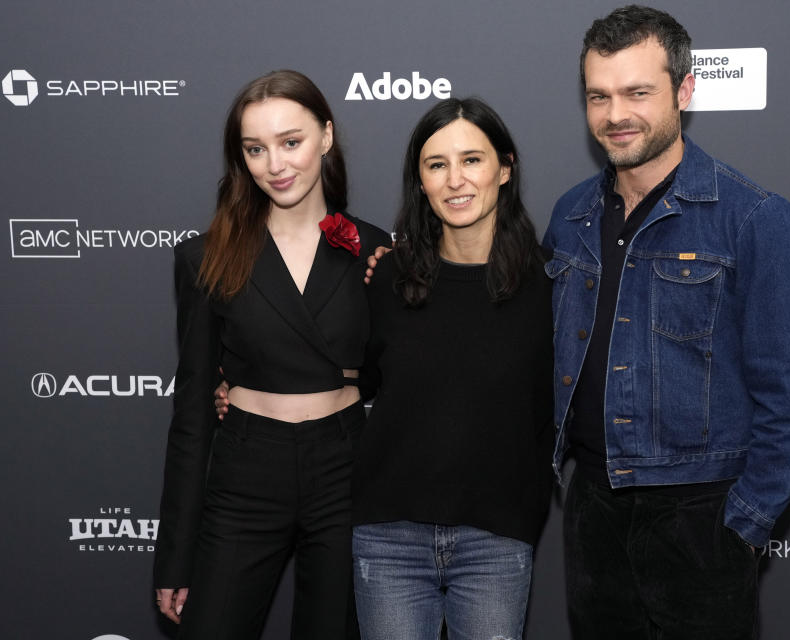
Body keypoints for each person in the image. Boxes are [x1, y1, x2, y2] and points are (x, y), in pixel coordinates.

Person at [544, 5, 790, 638]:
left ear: (685, 89)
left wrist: (743, 527)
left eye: (637, 92)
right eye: (599, 96)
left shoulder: (755, 218)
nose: (615, 114)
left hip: (700, 517)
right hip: (593, 507)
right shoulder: (570, 216)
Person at [154, 69, 389, 640]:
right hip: (246, 469)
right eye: (255, 149)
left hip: (345, 469)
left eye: (291, 142)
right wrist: (175, 558)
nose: (275, 165)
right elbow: (190, 415)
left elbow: (391, 376)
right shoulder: (207, 256)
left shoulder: (376, 251)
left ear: (326, 137)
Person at [350, 97, 554, 640]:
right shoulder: (388, 278)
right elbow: (351, 379)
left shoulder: (549, 285)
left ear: (504, 168)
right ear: (419, 180)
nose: (455, 180)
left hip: (497, 537)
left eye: (472, 160)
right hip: (389, 537)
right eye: (436, 164)